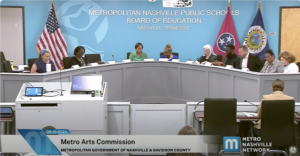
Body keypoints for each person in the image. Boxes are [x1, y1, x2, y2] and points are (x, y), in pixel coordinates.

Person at [249, 79, 293, 156]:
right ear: (283, 88)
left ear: (272, 88)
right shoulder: (290, 99)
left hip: (265, 133)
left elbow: (259, 116)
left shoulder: (265, 98)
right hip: (284, 132)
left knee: (250, 133)